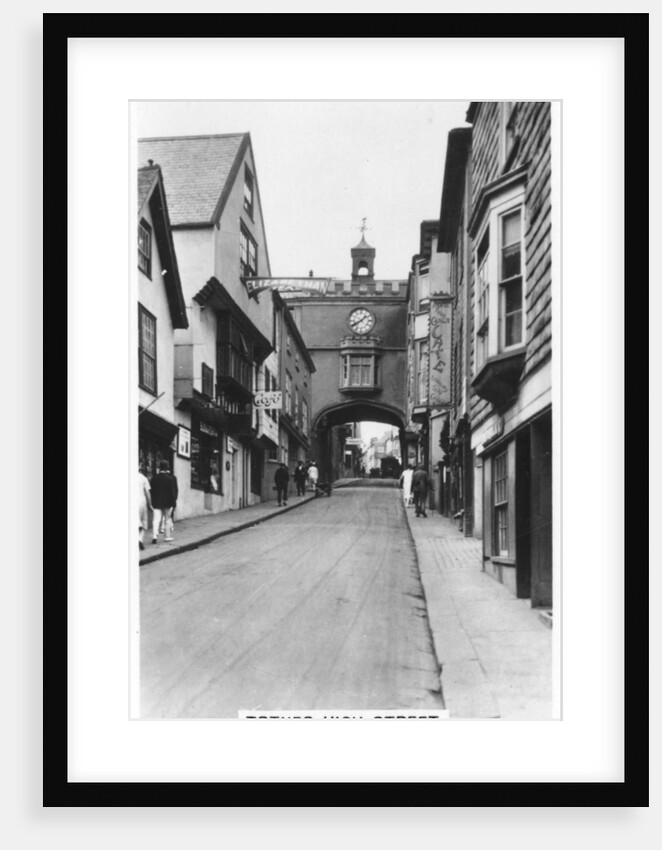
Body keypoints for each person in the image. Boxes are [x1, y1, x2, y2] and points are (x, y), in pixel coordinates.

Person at [150, 460, 178, 543]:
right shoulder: (169, 479)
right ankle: (167, 536)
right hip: (167, 503)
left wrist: (152, 501)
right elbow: (172, 492)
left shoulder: (154, 478)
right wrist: (174, 504)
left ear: (159, 467)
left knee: (156, 520)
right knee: (167, 520)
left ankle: (154, 536)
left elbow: (151, 491)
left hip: (156, 502)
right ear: (167, 468)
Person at [138, 467, 152, 550]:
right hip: (141, 501)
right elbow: (147, 492)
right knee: (144, 522)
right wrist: (150, 504)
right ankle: (139, 538)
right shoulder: (143, 478)